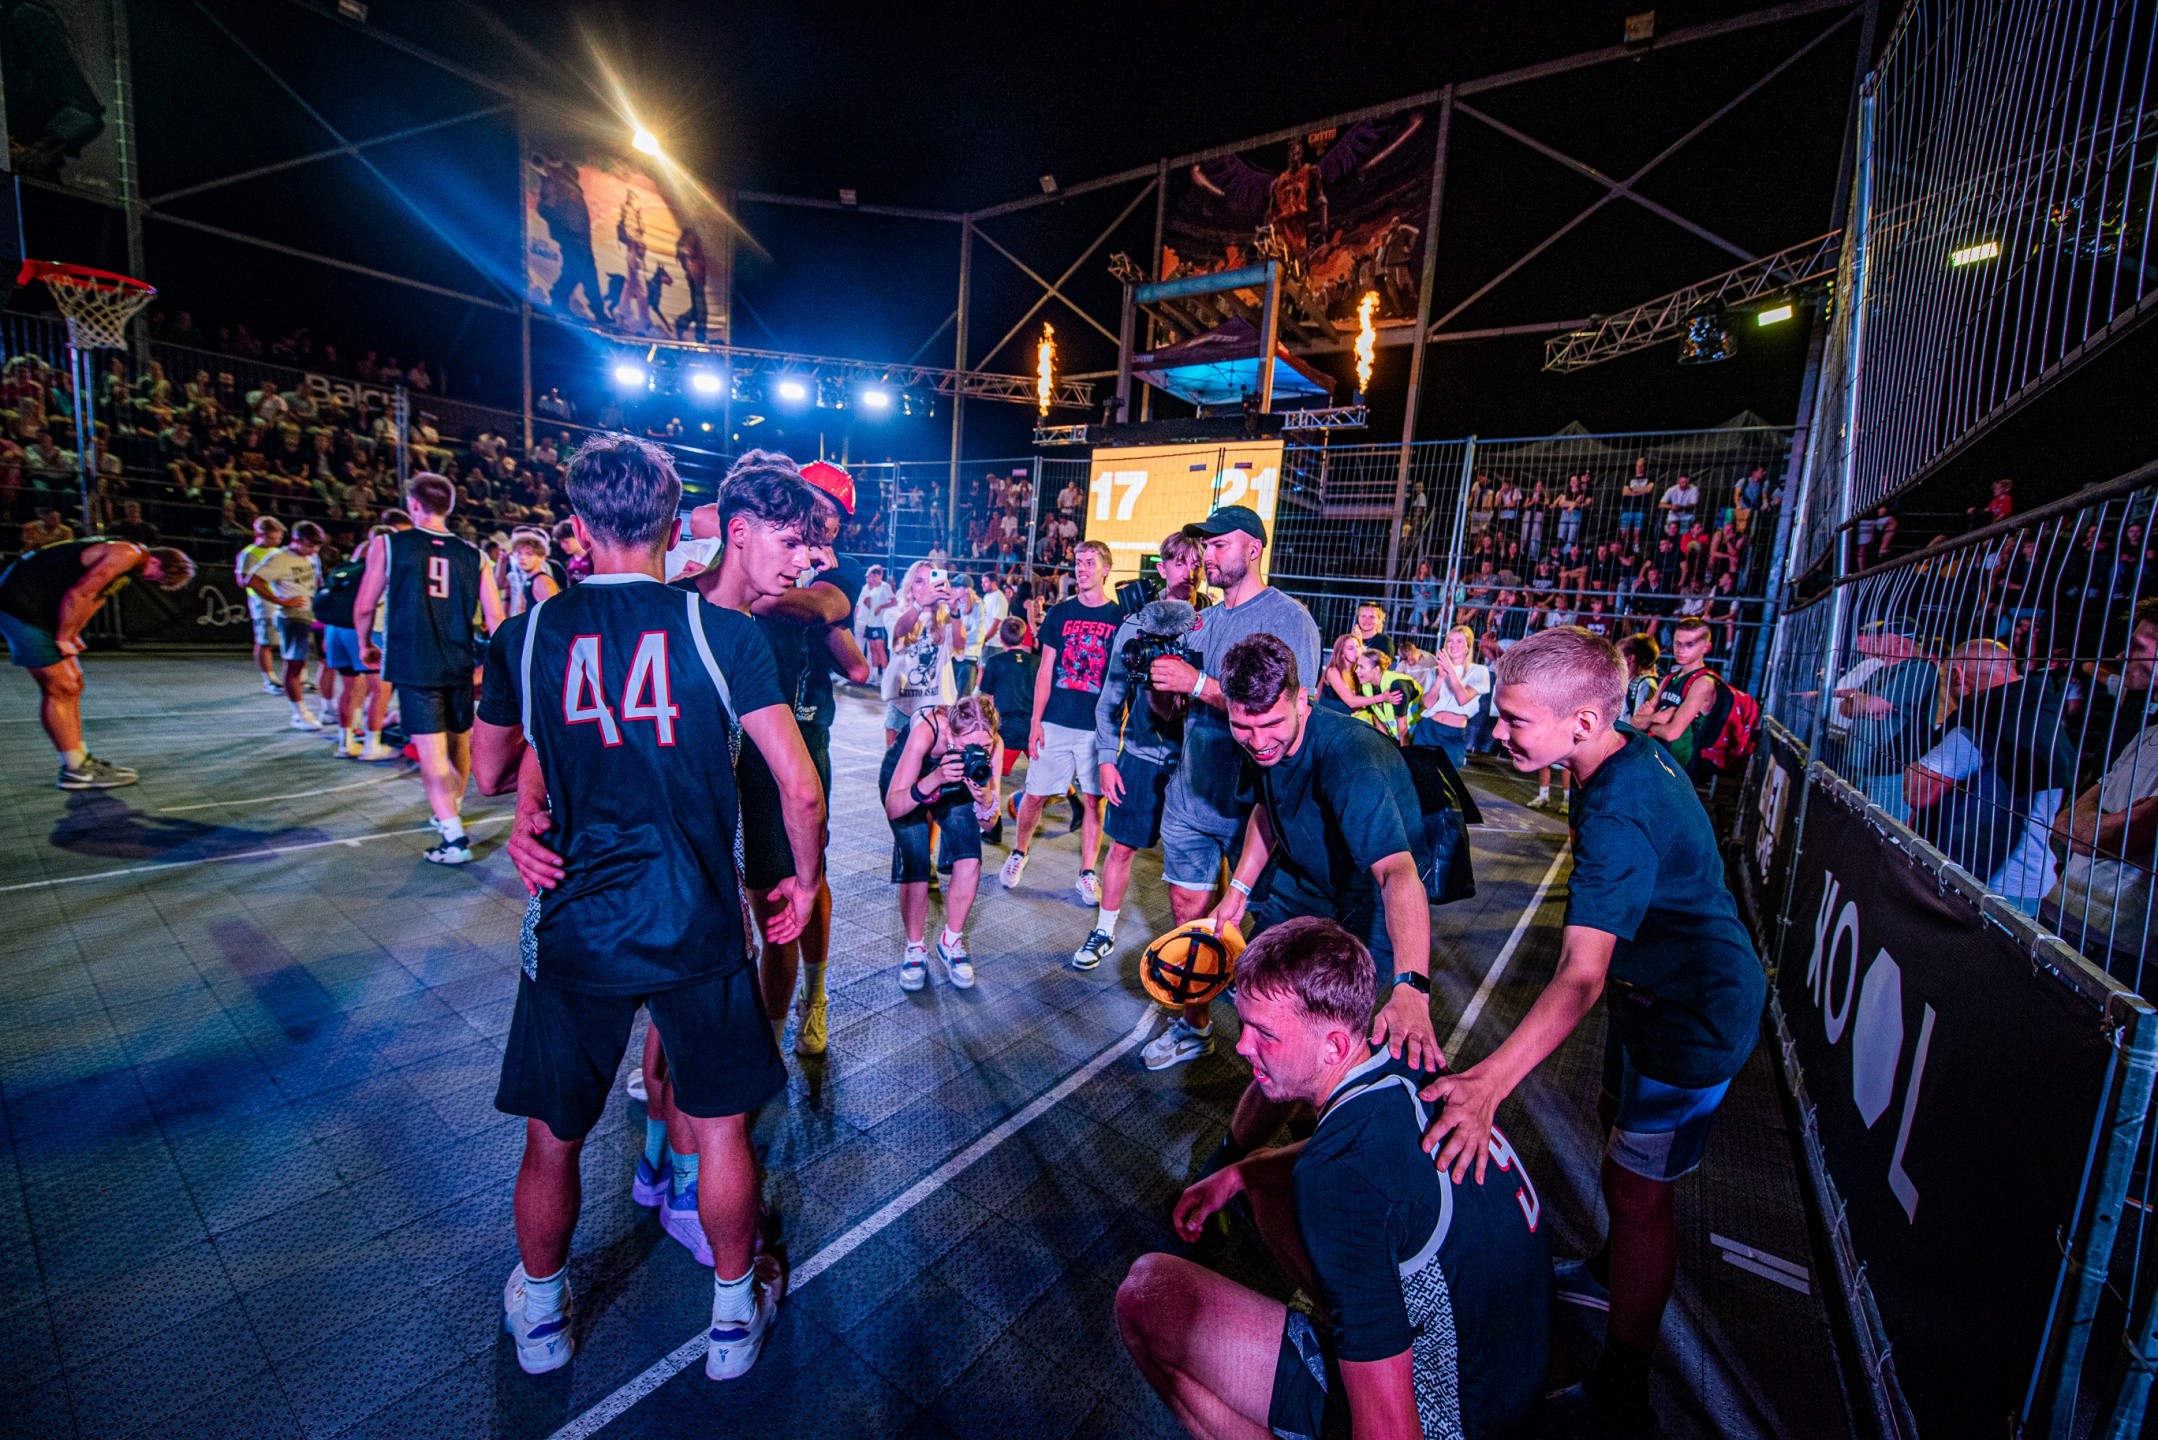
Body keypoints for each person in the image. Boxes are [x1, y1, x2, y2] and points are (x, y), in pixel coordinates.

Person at [472, 432, 814, 1383]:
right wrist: (806, 877)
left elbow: (490, 770)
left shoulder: (527, 634)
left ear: (576, 526)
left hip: (577, 918)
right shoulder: (721, 633)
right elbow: (800, 787)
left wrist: (533, 804)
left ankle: (543, 1319)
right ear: (677, 525)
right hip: (695, 918)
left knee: (554, 1135)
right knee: (723, 1128)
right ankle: (734, 1320)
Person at [1419, 626, 1766, 1437]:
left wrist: (1488, 1085)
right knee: (1617, 1133)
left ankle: (1623, 1390)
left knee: (1642, 1195)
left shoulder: (1617, 810)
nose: (1497, 730)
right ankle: (1610, 1272)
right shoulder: (1615, 755)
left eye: (1514, 720)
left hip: (1693, 1014)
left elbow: (1580, 976)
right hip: (1652, 994)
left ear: (1580, 721)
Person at [1117, 917, 1550, 1440]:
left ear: (1335, 1048)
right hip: (1512, 1372)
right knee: (1269, 1189)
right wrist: (1240, 1174)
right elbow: (1371, 1167)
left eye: (1264, 1033)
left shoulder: (1339, 1180)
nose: (1242, 1046)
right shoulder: (1407, 1056)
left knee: (1146, 1297)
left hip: (1450, 1419)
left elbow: (1391, 1431)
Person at [1173, 634, 1442, 1181]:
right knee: (1269, 1021)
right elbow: (1266, 810)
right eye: (1244, 727)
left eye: (1271, 725)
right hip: (1302, 888)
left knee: (1314, 1047)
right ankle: (1273, 1149)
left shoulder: (1350, 759)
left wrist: (1412, 988)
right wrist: (1238, 888)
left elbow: (1398, 873)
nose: (1258, 741)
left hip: (1365, 904)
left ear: (1303, 698)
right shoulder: (1260, 739)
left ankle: (1248, 1165)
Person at [1141, 506, 1325, 1070]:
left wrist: (1199, 682)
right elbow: (1174, 711)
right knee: (1190, 921)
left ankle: (1273, 1043)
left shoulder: (1290, 618)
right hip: (1192, 794)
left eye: (1219, 544)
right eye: (1205, 546)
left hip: (1257, 805)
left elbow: (1295, 708)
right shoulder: (1203, 620)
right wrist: (1159, 680)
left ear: (1253, 549)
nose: (1208, 556)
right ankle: (1195, 1026)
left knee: (1270, 935)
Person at [1075, 538, 1205, 970]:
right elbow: (1109, 700)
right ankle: (1104, 930)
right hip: (1141, 757)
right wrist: (1106, 759)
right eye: (1179, 562)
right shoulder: (1136, 624)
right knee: (1122, 848)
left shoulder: (1212, 622)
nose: (1188, 571)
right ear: (1162, 567)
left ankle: (1205, 948)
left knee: (1204, 861)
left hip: (1195, 763)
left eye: (1196, 563)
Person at [353, 472, 484, 864]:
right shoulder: (475, 554)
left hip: (415, 660)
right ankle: (451, 806)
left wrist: (364, 643)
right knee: (459, 739)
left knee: (432, 753)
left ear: (413, 504)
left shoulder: (389, 545)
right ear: (450, 506)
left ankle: (453, 838)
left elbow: (364, 606)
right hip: (459, 659)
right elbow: (496, 619)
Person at [0, 537, 196, 789]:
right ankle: (74, 770)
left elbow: (96, 599)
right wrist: (63, 637)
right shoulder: (128, 554)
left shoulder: (127, 568)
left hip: (36, 603)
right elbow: (81, 593)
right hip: (20, 604)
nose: (153, 582)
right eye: (158, 578)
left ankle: (80, 759)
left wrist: (74, 634)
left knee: (74, 683)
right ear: (156, 562)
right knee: (60, 687)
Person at [1904, 640, 2073, 915]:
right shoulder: (2041, 715)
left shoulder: (1985, 719)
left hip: (1982, 883)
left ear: (1957, 676)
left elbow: (1917, 792)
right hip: (2030, 880)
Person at [1001, 539, 1121, 902]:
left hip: (1095, 729)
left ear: (1105, 569)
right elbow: (1045, 671)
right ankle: (1019, 852)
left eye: (1089, 562)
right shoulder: (1060, 613)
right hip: (1055, 721)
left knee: (1093, 801)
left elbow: (1120, 680)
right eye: (1078, 562)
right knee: (1035, 795)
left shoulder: (1119, 618)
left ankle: (1086, 872)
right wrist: (1036, 722)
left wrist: (1116, 730)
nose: (1082, 568)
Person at [2048, 600, 2158, 970]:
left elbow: (2118, 835)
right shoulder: (2146, 730)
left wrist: (2088, 824)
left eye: (2137, 646)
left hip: (2121, 945)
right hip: (2072, 917)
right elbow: (2069, 822)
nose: (2122, 655)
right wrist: (2090, 824)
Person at [882, 694, 1004, 989]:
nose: (977, 752)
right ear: (951, 734)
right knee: (917, 863)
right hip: (908, 785)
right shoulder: (928, 730)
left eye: (984, 746)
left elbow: (990, 824)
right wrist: (936, 778)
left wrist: (987, 798)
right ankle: (914, 948)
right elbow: (894, 807)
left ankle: (951, 941)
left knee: (970, 857)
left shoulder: (994, 746)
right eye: (967, 746)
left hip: (952, 785)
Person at [313, 532, 396, 761]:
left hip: (335, 629)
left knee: (350, 687)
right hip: (364, 629)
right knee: (381, 688)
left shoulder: (345, 569)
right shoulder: (380, 570)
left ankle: (346, 743)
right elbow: (369, 607)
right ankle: (372, 746)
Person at [243, 520, 327, 730]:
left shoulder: (312, 556)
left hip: (313, 614)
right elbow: (251, 580)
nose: (314, 550)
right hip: (293, 616)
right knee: (295, 664)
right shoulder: (279, 558)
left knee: (327, 660)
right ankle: (299, 714)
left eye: (317, 546)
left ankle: (329, 708)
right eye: (309, 545)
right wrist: (280, 601)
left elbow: (317, 581)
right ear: (295, 539)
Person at [1628, 615, 1731, 779]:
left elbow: (1672, 733)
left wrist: (1648, 722)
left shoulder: (1703, 682)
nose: (1681, 650)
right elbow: (1634, 722)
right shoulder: (1670, 678)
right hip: (1657, 759)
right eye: (1678, 643)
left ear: (1706, 647)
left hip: (1679, 767)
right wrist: (1656, 718)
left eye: (1689, 644)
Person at [881, 560, 963, 746]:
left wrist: (954, 610)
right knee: (894, 761)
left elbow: (960, 644)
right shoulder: (893, 613)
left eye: (930, 581)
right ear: (909, 585)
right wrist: (919, 605)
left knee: (932, 762)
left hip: (936, 706)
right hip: (902, 705)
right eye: (919, 581)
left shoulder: (946, 618)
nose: (926, 587)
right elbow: (899, 631)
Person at [1414, 624, 1489, 766]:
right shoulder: (1435, 671)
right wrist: (1440, 678)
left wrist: (1451, 670)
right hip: (1428, 727)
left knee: (1447, 776)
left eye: (1459, 641)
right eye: (1450, 641)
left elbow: (1463, 698)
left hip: (1453, 733)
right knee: (1420, 775)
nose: (1453, 645)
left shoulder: (1478, 671)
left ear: (1468, 646)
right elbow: (1428, 703)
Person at [235, 515, 288, 694]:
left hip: (282, 602)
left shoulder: (278, 553)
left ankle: (296, 678)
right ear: (260, 534)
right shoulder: (249, 554)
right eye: (273, 537)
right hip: (263, 604)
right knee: (265, 641)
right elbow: (242, 580)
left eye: (279, 537)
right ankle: (269, 679)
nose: (277, 541)